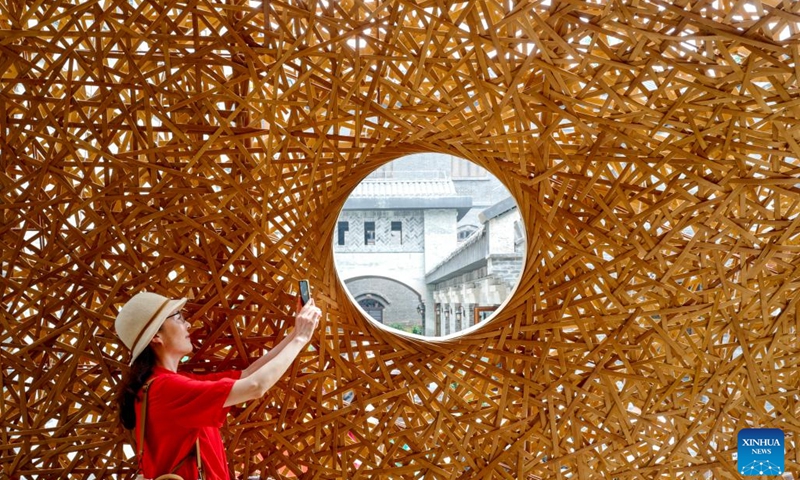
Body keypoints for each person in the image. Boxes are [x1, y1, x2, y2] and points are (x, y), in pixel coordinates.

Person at [115, 291, 321, 480]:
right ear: (156, 337)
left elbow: (248, 375)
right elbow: (256, 386)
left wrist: (296, 333)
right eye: (178, 318)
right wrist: (301, 338)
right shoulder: (168, 389)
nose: (187, 325)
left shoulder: (159, 384)